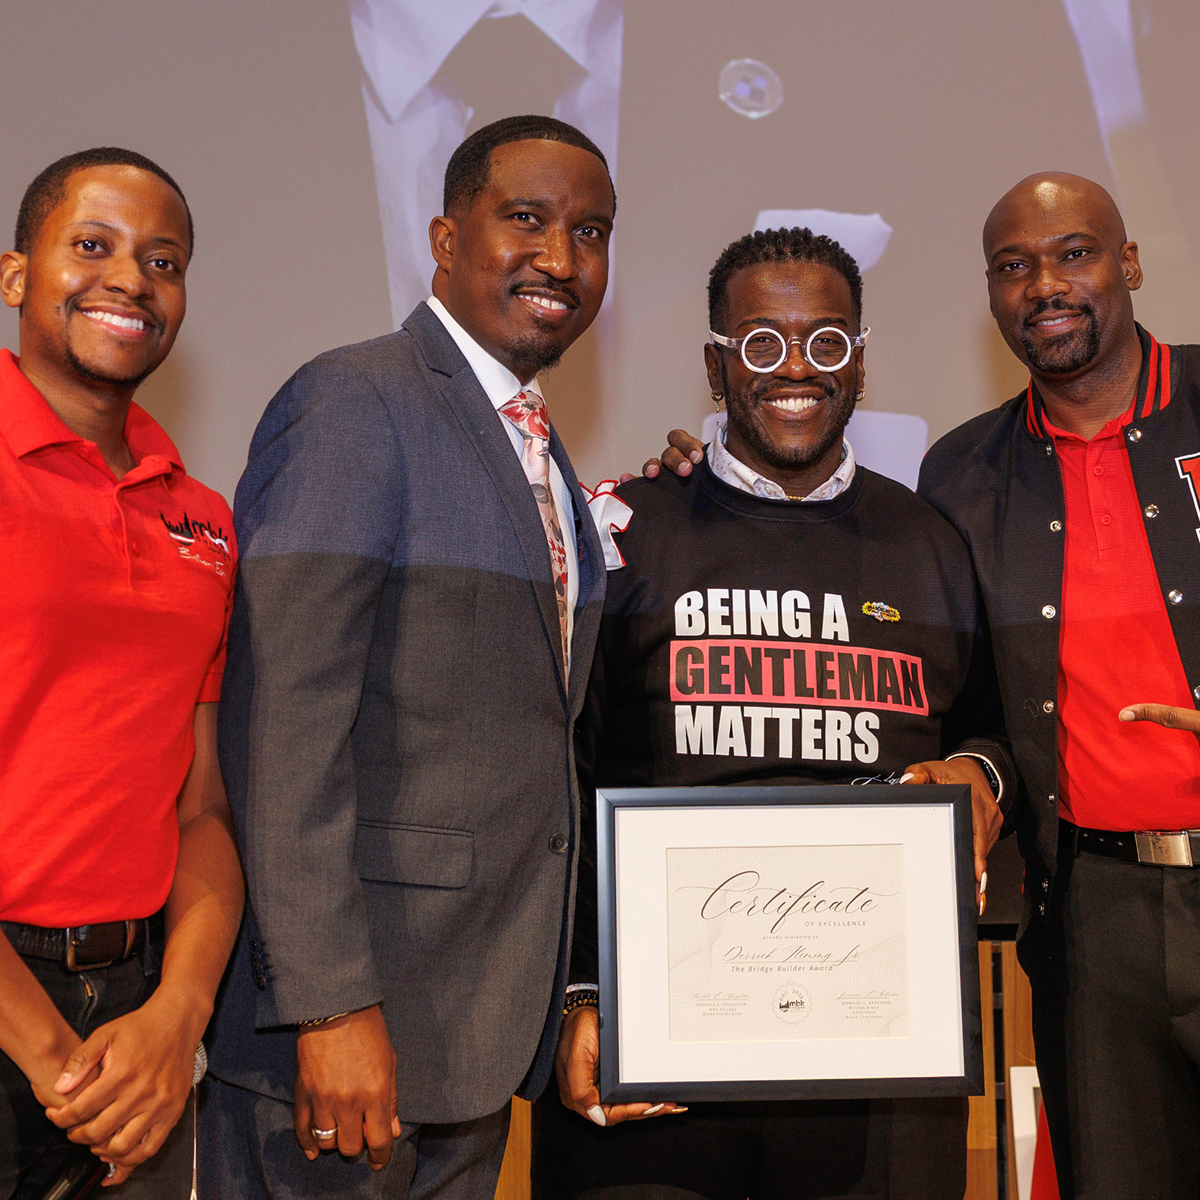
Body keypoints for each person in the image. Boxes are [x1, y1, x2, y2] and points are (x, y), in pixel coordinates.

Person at [660, 175, 1200, 1199]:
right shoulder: (959, 476)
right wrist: (699, 478)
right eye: (1013, 266)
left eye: (1075, 253)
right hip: (1090, 917)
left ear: (1129, 263)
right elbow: (967, 709)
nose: (1046, 284)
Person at [533, 227, 1016, 1200]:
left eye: (827, 341)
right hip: (655, 1052)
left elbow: (992, 727)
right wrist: (579, 989)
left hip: (884, 1056)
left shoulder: (930, 542)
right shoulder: (620, 533)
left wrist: (981, 775)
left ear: (861, 362)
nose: (796, 366)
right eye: (761, 342)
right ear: (717, 367)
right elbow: (559, 778)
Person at [202, 115, 614, 1199]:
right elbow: (283, 722)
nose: (561, 257)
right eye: (525, 219)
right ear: (444, 239)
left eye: (590, 232)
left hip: (472, 1039)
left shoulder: (537, 447)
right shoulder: (355, 401)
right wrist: (330, 1004)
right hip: (341, 1046)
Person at [0, 148, 244, 1197]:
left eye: (163, 260)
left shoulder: (204, 517)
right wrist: (57, 1061)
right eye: (92, 245)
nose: (132, 280)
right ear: (16, 276)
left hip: (139, 1013)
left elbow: (202, 807)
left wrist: (177, 1018)